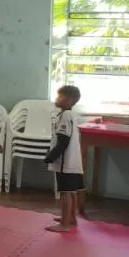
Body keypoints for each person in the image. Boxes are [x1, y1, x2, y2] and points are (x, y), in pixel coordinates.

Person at [45, 85, 84, 233]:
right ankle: (71, 218)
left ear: (68, 100)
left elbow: (63, 140)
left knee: (65, 193)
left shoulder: (65, 116)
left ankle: (65, 223)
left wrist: (51, 156)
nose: (56, 98)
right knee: (72, 191)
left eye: (59, 96)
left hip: (65, 162)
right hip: (74, 162)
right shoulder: (72, 115)